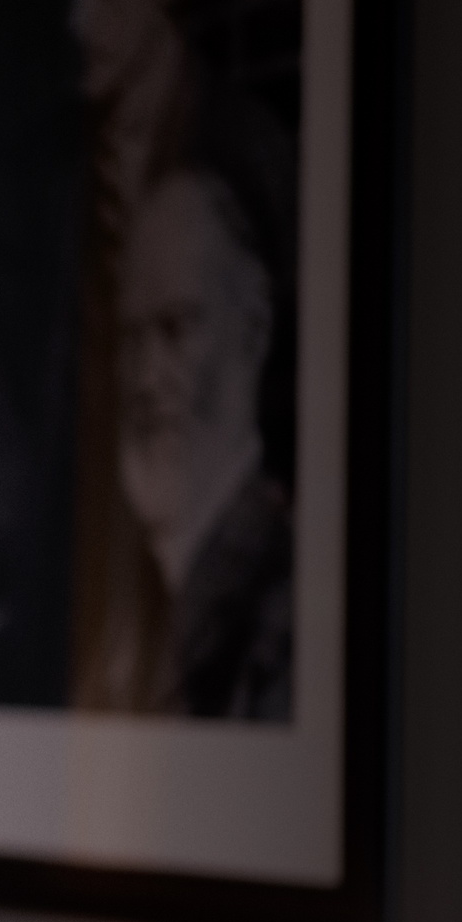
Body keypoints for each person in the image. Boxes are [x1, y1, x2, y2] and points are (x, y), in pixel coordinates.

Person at [113, 169, 292, 719]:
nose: (146, 377)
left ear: (255, 329)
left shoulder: (282, 605)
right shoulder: (124, 610)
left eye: (177, 328)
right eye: (130, 338)